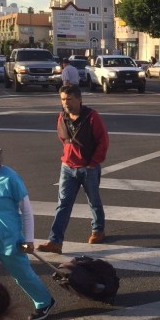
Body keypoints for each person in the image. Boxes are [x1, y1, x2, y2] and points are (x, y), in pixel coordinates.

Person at [0, 136, 57, 320]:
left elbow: (27, 211)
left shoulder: (10, 179)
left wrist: (29, 240)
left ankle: (44, 302)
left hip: (9, 241)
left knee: (23, 276)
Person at [38, 85, 110, 254]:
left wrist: (93, 162)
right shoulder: (62, 117)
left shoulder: (92, 117)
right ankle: (55, 241)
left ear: (79, 99)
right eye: (63, 99)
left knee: (94, 201)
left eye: (69, 99)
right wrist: (69, 155)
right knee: (63, 204)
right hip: (68, 167)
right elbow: (63, 138)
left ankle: (98, 230)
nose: (66, 103)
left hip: (88, 168)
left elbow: (103, 141)